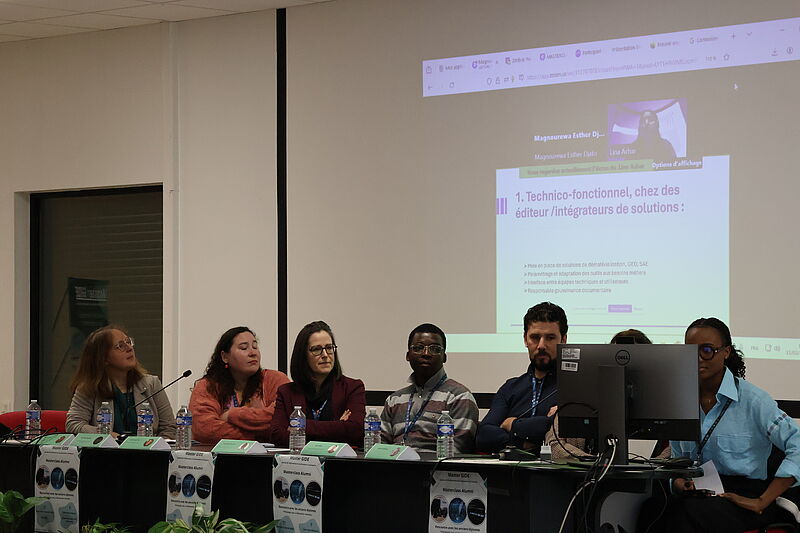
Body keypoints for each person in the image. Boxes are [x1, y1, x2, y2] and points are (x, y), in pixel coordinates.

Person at [638, 317, 800, 533]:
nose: (697, 358)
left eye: (706, 350)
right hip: (699, 491)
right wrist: (677, 482)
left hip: (743, 496)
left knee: (687, 514)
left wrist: (762, 501)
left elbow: (798, 445)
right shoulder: (680, 400)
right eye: (689, 351)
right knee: (650, 509)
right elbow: (677, 462)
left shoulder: (754, 401)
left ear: (726, 352)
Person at [476, 302, 566, 453]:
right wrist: (520, 443)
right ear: (525, 339)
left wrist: (513, 424)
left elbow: (561, 429)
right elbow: (484, 436)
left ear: (563, 340)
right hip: (510, 468)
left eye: (550, 338)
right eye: (535, 337)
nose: (541, 345)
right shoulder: (510, 388)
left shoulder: (575, 387)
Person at [380, 323, 478, 453]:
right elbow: (379, 447)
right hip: (395, 463)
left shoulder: (459, 397)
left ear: (444, 357)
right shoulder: (394, 399)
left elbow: (457, 450)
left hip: (436, 465)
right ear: (408, 356)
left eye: (435, 349)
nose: (426, 353)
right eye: (418, 348)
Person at [66, 325, 176, 438]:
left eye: (128, 342)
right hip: (106, 448)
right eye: (120, 346)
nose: (129, 348)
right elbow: (73, 425)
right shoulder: (90, 388)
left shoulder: (151, 384)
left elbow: (169, 427)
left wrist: (155, 446)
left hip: (147, 448)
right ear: (103, 358)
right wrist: (107, 435)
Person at [268, 321, 365, 448]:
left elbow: (356, 430)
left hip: (338, 459)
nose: (325, 355)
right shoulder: (286, 392)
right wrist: (338, 426)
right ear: (303, 355)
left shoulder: (352, 387)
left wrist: (301, 426)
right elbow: (277, 435)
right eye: (317, 349)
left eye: (329, 348)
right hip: (299, 459)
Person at [189, 326, 289, 444]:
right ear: (225, 357)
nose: (253, 353)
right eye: (244, 348)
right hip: (220, 455)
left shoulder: (275, 380)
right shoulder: (208, 386)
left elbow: (280, 418)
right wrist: (260, 435)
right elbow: (205, 429)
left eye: (255, 347)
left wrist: (231, 415)